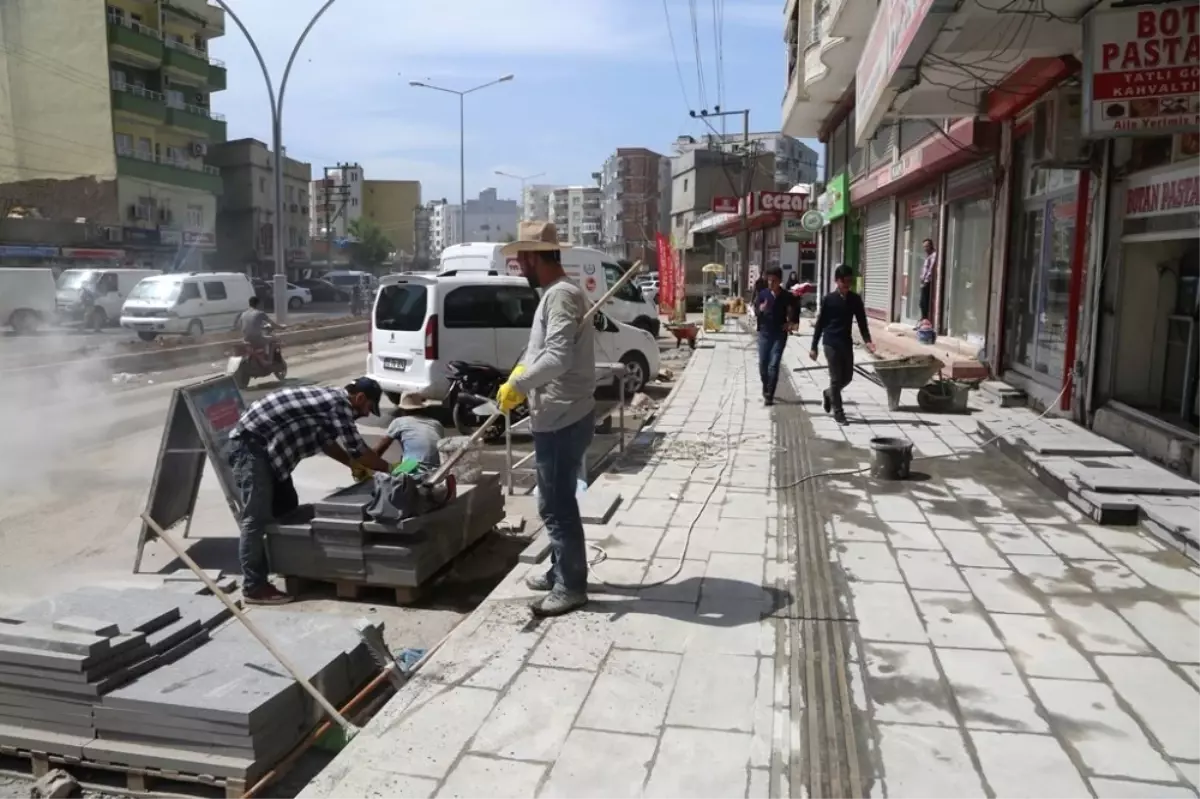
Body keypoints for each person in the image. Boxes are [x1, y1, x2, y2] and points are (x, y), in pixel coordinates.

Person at [497, 220, 596, 617]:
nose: (518, 265)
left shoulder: (561, 297)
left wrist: (520, 384)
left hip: (563, 417)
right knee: (552, 499)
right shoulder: (555, 294)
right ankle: (560, 570)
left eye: (522, 258)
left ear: (538, 257)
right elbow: (541, 352)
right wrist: (517, 376)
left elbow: (558, 357)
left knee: (556, 506)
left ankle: (571, 585)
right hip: (558, 414)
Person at [227, 379, 391, 604]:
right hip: (253, 448)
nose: (365, 414)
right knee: (256, 519)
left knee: (288, 508)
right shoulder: (340, 405)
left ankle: (291, 567)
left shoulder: (329, 403)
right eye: (367, 408)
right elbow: (359, 448)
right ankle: (254, 587)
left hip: (268, 452)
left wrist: (353, 465)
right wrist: (390, 469)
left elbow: (326, 442)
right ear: (360, 398)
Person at [810, 264, 875, 425]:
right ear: (837, 281)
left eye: (850, 281)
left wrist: (868, 341)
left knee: (847, 377)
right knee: (835, 378)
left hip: (846, 342)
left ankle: (828, 394)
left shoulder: (855, 300)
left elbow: (862, 322)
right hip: (830, 343)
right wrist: (814, 346)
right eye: (844, 281)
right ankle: (838, 412)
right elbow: (820, 324)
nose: (847, 284)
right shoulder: (829, 300)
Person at [755, 265, 799, 406]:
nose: (770, 283)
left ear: (779, 281)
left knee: (773, 365)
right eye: (768, 280)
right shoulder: (763, 294)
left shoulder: (786, 296)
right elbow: (756, 310)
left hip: (779, 334)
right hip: (764, 334)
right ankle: (765, 385)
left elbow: (796, 308)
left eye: (773, 280)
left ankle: (770, 394)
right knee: (763, 365)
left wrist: (791, 322)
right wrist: (760, 310)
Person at [369, 392, 444, 471]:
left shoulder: (399, 422)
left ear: (402, 410)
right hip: (437, 470)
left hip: (412, 467)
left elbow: (379, 450)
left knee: (382, 479)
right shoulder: (436, 424)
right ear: (423, 408)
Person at [237, 296, 281, 368]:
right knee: (274, 339)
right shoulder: (260, 313)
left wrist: (260, 327)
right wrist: (282, 327)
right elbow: (273, 324)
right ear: (258, 304)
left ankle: (262, 357)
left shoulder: (243, 314)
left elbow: (240, 326)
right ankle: (269, 361)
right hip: (257, 339)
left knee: (264, 339)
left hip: (246, 339)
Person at [918, 238, 937, 325]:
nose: (925, 248)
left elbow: (931, 269)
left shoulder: (933, 255)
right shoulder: (928, 256)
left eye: (926, 246)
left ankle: (925, 320)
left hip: (928, 282)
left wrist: (925, 281)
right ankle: (924, 320)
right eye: (924, 247)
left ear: (931, 246)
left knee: (924, 303)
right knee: (922, 303)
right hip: (924, 282)